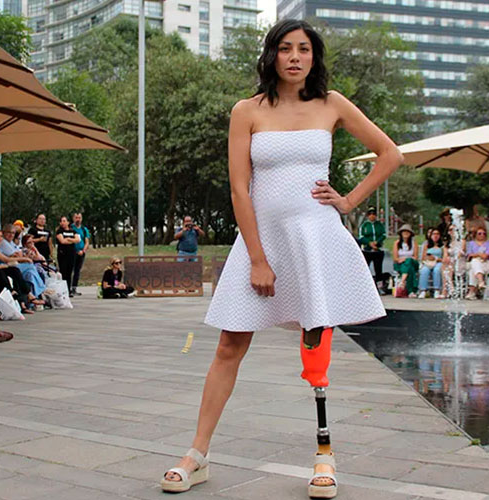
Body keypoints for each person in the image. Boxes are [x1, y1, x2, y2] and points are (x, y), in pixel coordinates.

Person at [162, 19, 404, 498]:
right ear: (271, 54)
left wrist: (348, 201)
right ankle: (197, 454)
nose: (296, 57)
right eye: (286, 48)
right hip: (262, 241)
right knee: (229, 344)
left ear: (314, 57)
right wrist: (257, 258)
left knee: (317, 342)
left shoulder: (332, 104)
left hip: (315, 239)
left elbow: (390, 154)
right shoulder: (247, 111)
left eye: (305, 49)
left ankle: (325, 455)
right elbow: (239, 189)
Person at [0, 223, 46, 303]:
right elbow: (13, 256)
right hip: (8, 266)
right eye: (9, 232)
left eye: (13, 233)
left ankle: (35, 294)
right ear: (4, 233)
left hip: (15, 264)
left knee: (31, 273)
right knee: (30, 266)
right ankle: (42, 291)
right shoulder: (3, 242)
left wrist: (18, 256)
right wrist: (23, 258)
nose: (11, 235)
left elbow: (18, 254)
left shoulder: (11, 243)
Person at [359, 206, 387, 294]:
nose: (372, 216)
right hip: (367, 251)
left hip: (378, 250)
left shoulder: (379, 225)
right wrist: (369, 243)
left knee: (378, 269)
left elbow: (383, 235)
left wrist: (377, 242)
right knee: (365, 269)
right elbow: (361, 237)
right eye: (370, 214)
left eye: (374, 214)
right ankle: (363, 287)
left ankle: (379, 287)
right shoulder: (364, 225)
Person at [465, 226, 489, 300]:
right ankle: (480, 282)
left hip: (486, 263)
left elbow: (486, 256)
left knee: (473, 268)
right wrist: (480, 254)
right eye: (479, 233)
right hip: (475, 263)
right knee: (474, 264)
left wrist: (476, 254)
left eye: (484, 233)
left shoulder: (488, 243)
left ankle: (472, 292)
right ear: (475, 234)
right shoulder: (471, 243)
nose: (482, 235)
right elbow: (469, 255)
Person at [392, 224, 419, 297]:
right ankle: (411, 291)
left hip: (412, 262)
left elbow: (415, 257)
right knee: (410, 269)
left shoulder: (414, 243)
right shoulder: (397, 243)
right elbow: (395, 258)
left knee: (409, 261)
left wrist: (406, 259)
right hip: (400, 264)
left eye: (407, 232)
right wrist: (403, 260)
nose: (406, 233)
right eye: (404, 231)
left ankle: (402, 281)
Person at [56, 216, 80, 295]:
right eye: (61, 221)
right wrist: (72, 240)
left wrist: (69, 239)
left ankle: (69, 289)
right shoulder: (59, 231)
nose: (62, 223)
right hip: (62, 254)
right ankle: (63, 290)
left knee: (69, 272)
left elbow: (78, 240)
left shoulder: (73, 231)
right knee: (63, 272)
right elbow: (62, 241)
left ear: (68, 222)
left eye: (64, 221)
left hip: (71, 254)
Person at [441, 224, 466, 299]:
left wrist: (452, 259)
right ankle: (450, 287)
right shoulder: (447, 243)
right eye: (450, 230)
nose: (452, 231)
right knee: (445, 265)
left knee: (447, 266)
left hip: (460, 262)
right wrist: (447, 258)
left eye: (454, 229)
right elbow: (445, 256)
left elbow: (460, 254)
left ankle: (446, 290)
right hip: (450, 263)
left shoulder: (462, 241)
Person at [418, 227, 443, 299]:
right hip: (428, 263)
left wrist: (436, 258)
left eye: (437, 234)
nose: (435, 236)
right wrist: (428, 257)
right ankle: (423, 290)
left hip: (438, 262)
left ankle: (437, 290)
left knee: (437, 270)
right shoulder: (427, 245)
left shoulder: (442, 246)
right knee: (424, 270)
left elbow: (444, 258)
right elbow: (422, 257)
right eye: (434, 234)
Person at [71, 212, 91, 296]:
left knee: (77, 271)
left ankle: (74, 288)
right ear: (73, 218)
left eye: (79, 218)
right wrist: (76, 251)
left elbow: (87, 242)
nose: (78, 219)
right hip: (72, 252)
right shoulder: (70, 228)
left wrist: (83, 250)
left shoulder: (84, 229)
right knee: (70, 270)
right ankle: (67, 288)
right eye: (76, 218)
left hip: (81, 253)